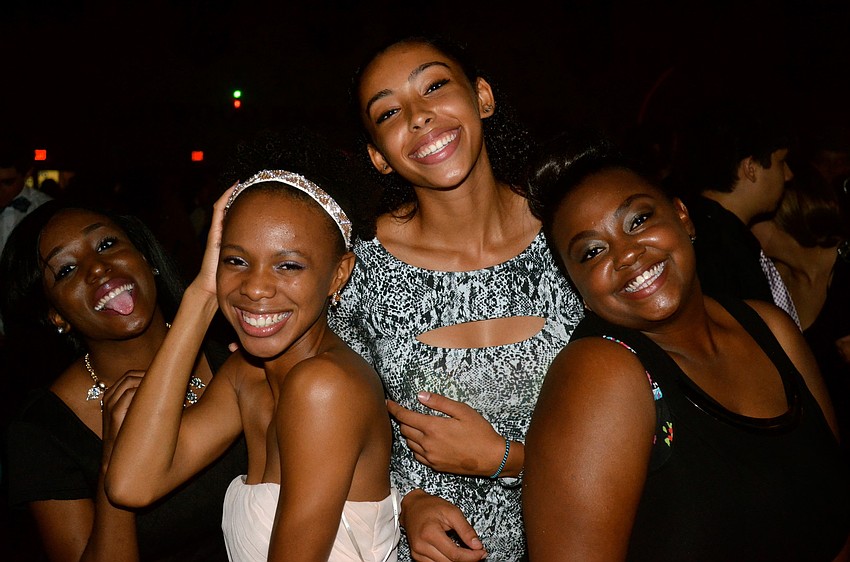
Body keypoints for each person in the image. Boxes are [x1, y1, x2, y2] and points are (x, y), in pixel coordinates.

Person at [522, 133, 850, 561]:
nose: (626, 255)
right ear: (579, 288)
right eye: (592, 252)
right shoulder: (602, 372)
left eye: (637, 221)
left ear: (683, 216)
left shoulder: (771, 329)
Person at [329, 36, 583, 561]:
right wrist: (405, 503)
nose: (419, 116)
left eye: (435, 85)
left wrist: (505, 458)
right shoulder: (354, 272)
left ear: (483, 97)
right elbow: (338, 435)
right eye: (390, 111)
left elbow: (654, 424)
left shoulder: (573, 238)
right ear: (378, 156)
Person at [105, 139, 399, 561]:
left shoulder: (324, 388)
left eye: (288, 265)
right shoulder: (247, 373)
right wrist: (202, 297)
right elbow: (132, 483)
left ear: (339, 274)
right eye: (236, 261)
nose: (256, 287)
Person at [0, 200, 247, 562]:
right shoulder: (43, 430)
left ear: (145, 258)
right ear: (56, 315)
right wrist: (113, 464)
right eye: (66, 269)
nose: (98, 268)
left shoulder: (235, 360)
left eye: (106, 245)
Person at [752, 160, 850, 456]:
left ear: (783, 211)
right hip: (827, 447)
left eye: (750, 218)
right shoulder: (773, 283)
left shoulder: (845, 264)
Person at [670, 101, 797, 322]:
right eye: (781, 162)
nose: (788, 175)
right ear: (750, 168)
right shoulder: (718, 247)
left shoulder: (720, 233)